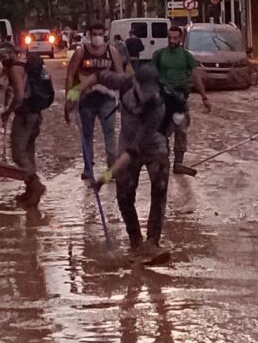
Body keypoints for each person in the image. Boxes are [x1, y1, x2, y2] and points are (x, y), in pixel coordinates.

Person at [100, 37, 170, 256]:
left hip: (152, 145)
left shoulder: (157, 105)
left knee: (159, 188)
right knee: (124, 194)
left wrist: (107, 174)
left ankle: (152, 242)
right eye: (145, 89)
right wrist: (75, 94)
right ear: (136, 83)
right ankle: (135, 241)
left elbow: (135, 149)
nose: (149, 94)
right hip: (127, 143)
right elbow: (96, 77)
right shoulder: (125, 82)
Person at [154, 21, 211, 173]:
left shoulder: (186, 56)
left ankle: (178, 163)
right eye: (170, 38)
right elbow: (152, 77)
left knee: (182, 131)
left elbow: (196, 76)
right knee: (162, 132)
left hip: (181, 100)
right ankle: (163, 161)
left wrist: (204, 97)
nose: (172, 41)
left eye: (175, 38)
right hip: (164, 101)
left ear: (180, 39)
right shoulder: (159, 55)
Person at [67, 24, 121, 182]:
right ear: (89, 35)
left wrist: (122, 97)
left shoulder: (112, 52)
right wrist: (69, 99)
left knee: (110, 133)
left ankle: (112, 168)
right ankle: (88, 169)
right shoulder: (80, 52)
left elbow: (120, 76)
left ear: (104, 35)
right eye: (94, 34)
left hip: (107, 99)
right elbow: (70, 75)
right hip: (86, 99)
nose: (97, 37)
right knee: (86, 134)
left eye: (100, 34)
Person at [3, 42, 54, 201]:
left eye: (3, 55)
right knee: (28, 151)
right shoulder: (28, 65)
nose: (1, 59)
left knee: (18, 154)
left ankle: (35, 185)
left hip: (25, 115)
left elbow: (18, 95)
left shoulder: (15, 68)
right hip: (36, 114)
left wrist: (7, 112)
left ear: (11, 53)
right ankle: (30, 193)